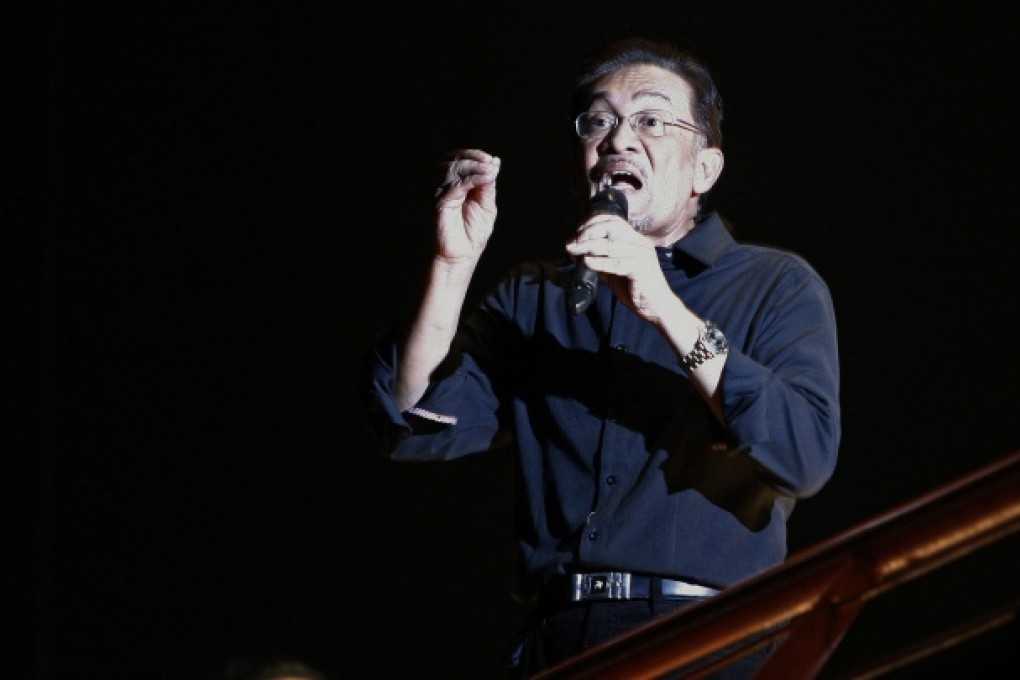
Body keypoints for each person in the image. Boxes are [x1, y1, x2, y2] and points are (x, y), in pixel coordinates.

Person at [360, 36, 840, 678]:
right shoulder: (535, 297)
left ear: (704, 169)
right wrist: (452, 265)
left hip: (707, 639)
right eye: (598, 122)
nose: (618, 139)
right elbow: (410, 422)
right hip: (557, 642)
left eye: (651, 120)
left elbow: (805, 454)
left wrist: (661, 304)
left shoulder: (774, 285)